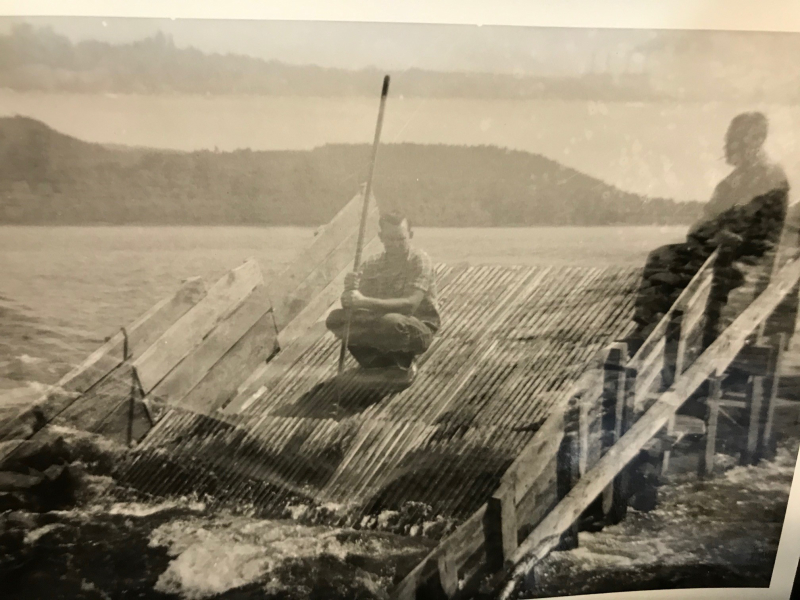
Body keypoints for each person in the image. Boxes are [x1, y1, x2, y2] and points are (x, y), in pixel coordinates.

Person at [632, 111, 791, 346]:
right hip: (725, 248)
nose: (729, 145)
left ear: (757, 139)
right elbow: (708, 218)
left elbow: (759, 229)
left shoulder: (769, 176)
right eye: (730, 138)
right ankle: (648, 329)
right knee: (661, 257)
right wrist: (708, 231)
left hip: (749, 256)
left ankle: (670, 335)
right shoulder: (735, 179)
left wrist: (719, 234)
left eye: (737, 139)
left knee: (681, 267)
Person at [326, 210, 440, 385]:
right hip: (382, 321)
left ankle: (404, 366)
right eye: (390, 239)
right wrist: (349, 291)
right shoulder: (372, 263)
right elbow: (351, 304)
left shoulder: (419, 260)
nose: (395, 244)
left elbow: (410, 305)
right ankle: (375, 365)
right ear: (381, 237)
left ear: (410, 235)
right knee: (337, 319)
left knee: (392, 322)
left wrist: (363, 301)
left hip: (418, 327)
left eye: (400, 238)